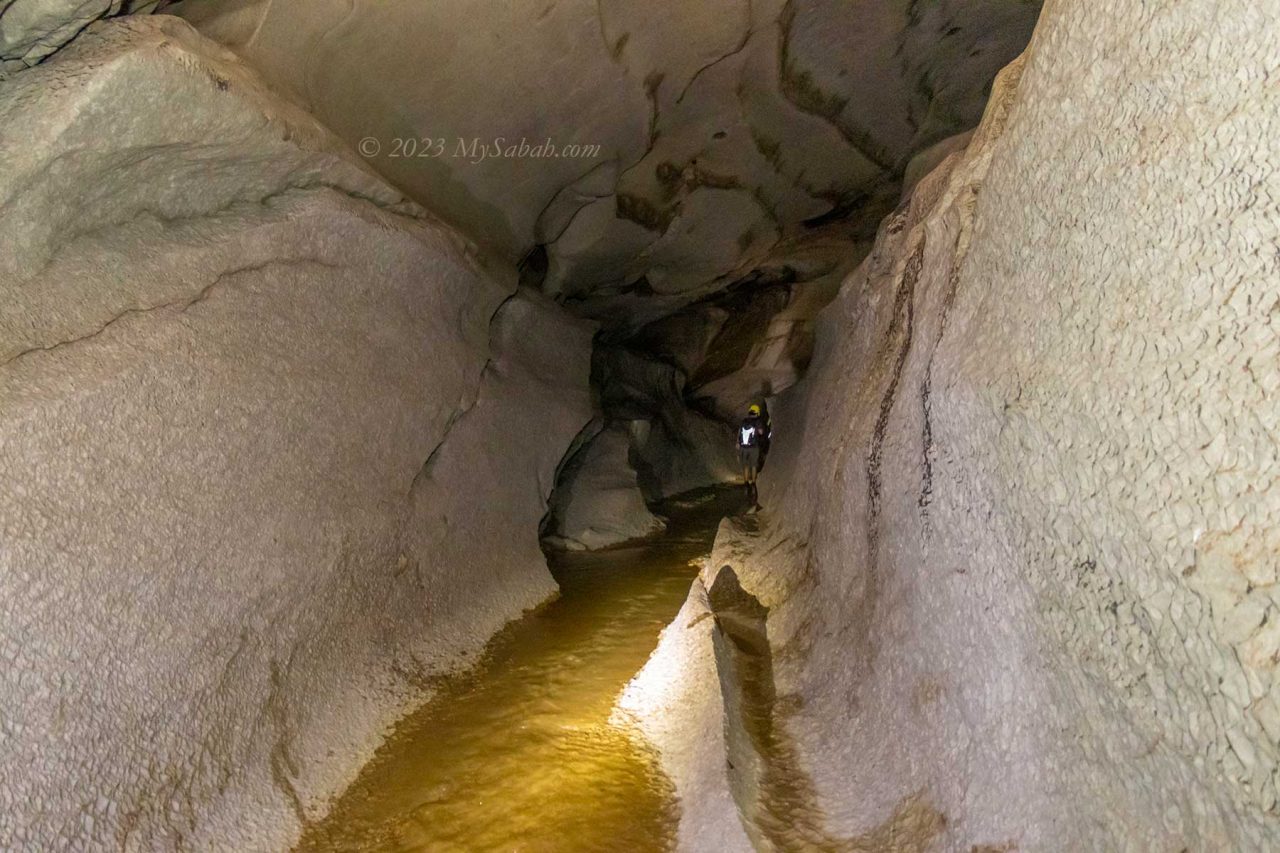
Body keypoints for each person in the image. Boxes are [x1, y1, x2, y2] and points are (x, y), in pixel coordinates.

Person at [737, 403, 771, 509]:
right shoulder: (758, 421)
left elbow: (739, 433)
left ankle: (746, 483)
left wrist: (738, 443)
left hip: (743, 448)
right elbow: (761, 432)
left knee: (746, 466)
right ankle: (753, 483)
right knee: (753, 466)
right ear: (757, 412)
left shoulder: (744, 421)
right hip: (753, 448)